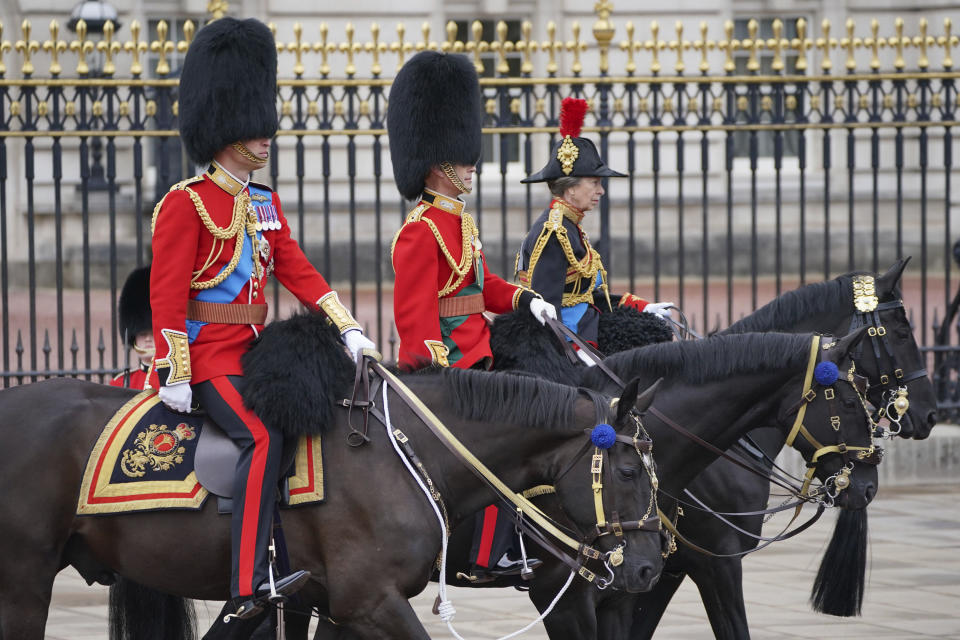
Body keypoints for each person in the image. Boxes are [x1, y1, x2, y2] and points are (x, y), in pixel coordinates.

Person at [150, 17, 375, 619]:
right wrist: (175, 367)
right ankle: (250, 580)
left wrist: (344, 324)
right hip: (206, 355)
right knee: (262, 434)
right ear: (228, 132)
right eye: (257, 130)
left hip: (254, 350)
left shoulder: (261, 202)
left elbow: (295, 268)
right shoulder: (186, 202)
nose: (267, 138)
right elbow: (167, 292)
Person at [387, 50, 552, 578]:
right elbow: (413, 317)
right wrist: (441, 375)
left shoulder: (462, 222)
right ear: (439, 165)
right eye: (464, 162)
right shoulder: (421, 229)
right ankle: (484, 557)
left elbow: (482, 288)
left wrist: (526, 299)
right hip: (451, 370)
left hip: (479, 355)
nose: (472, 167)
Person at [517, 97, 673, 363]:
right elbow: (547, 311)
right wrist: (572, 358)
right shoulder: (554, 233)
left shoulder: (570, 227)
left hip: (587, 331)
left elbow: (587, 296)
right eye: (594, 182)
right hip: (573, 344)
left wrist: (641, 307)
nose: (601, 190)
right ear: (571, 187)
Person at [110, 265, 155, 389]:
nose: (148, 339)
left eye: (153, 333)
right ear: (133, 337)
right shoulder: (120, 383)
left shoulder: (174, 383)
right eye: (142, 334)